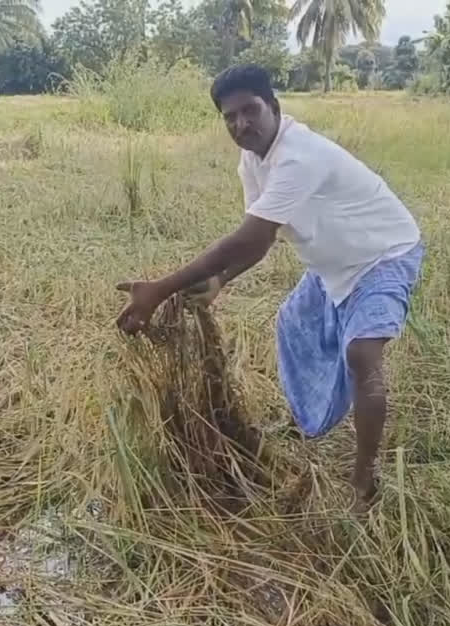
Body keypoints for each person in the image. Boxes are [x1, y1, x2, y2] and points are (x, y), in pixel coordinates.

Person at [114, 64, 425, 514]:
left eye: (250, 111)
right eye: (230, 117)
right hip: (332, 262)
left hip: (384, 254)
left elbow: (248, 238)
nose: (241, 124)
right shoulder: (252, 161)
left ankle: (364, 483)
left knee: (361, 354)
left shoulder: (298, 156)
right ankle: (309, 421)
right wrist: (220, 280)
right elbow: (262, 240)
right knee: (291, 325)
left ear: (274, 108)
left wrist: (160, 289)